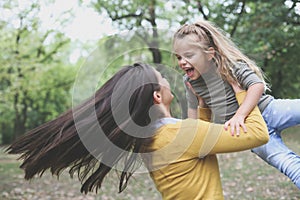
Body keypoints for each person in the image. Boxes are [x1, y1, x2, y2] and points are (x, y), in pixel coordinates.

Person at [7, 63, 269, 199]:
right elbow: (258, 134)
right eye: (162, 78)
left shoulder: (149, 139)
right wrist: (239, 88)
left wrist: (199, 106)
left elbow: (196, 150)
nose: (168, 79)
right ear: (157, 96)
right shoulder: (182, 135)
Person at [172, 19, 300, 189]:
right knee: (289, 165)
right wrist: (193, 136)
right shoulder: (190, 82)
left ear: (209, 54)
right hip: (251, 133)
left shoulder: (227, 65)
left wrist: (240, 114)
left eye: (188, 55)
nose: (182, 61)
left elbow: (257, 85)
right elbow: (193, 112)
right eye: (179, 57)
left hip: (268, 110)